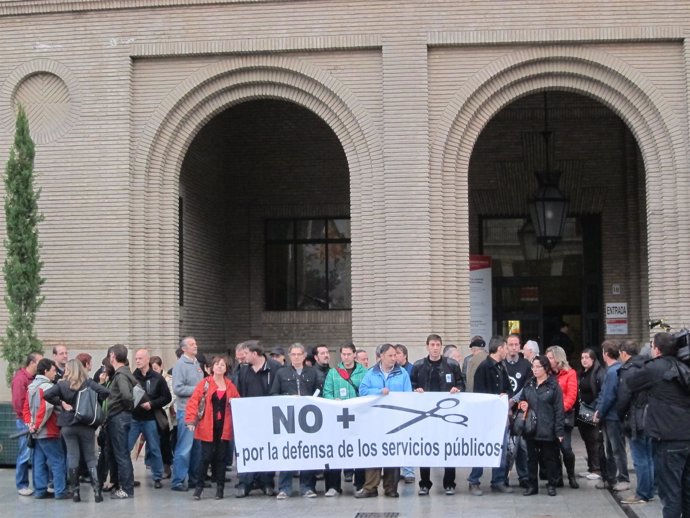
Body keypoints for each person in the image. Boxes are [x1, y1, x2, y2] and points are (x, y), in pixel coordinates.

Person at [627, 332, 690, 518]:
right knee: (686, 490)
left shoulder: (655, 368)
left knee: (670, 492)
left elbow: (631, 381)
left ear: (656, 349)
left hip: (668, 439)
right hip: (686, 435)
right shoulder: (683, 366)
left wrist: (645, 358)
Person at [43, 358, 109, 503]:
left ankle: (75, 493)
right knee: (91, 457)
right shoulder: (89, 383)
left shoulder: (62, 385)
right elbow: (105, 392)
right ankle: (97, 491)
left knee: (73, 457)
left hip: (68, 425)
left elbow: (46, 395)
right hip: (86, 425)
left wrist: (61, 403)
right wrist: (95, 402)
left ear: (68, 370)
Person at [355, 343, 412, 499]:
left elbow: (408, 394)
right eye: (390, 356)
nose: (394, 358)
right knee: (374, 453)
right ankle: (370, 487)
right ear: (381, 356)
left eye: (395, 355)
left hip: (394, 420)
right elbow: (363, 391)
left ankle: (391, 488)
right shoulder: (371, 373)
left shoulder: (403, 374)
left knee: (392, 453)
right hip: (375, 421)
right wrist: (379, 392)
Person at [411, 333, 464, 496]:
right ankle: (425, 483)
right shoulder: (418, 365)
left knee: (448, 447)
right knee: (425, 449)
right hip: (425, 415)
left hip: (446, 414)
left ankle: (449, 483)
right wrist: (415, 390)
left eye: (437, 345)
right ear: (427, 347)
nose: (435, 348)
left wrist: (457, 389)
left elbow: (461, 383)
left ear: (441, 347)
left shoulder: (452, 365)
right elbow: (411, 385)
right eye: (432, 345)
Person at [185, 355, 240, 500]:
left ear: (226, 368)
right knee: (205, 457)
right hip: (207, 426)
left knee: (221, 459)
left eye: (222, 365)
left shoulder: (230, 386)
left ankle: (220, 489)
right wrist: (191, 420)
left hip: (224, 427)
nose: (220, 367)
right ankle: (199, 488)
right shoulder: (204, 384)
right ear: (211, 368)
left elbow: (239, 405)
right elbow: (193, 402)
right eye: (217, 364)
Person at [271, 343, 320, 498]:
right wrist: (288, 399)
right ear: (289, 356)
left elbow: (320, 393)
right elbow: (273, 395)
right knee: (288, 452)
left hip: (308, 420)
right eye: (293, 354)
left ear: (304, 356)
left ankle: (307, 487)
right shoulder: (281, 373)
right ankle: (284, 488)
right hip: (288, 420)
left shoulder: (313, 373)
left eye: (299, 354)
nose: (296, 357)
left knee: (307, 453)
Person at [234, 340, 282, 497]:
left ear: (255, 354)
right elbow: (239, 391)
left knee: (267, 449)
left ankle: (267, 482)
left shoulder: (274, 368)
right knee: (246, 449)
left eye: (246, 354)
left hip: (269, 417)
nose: (244, 357)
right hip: (248, 417)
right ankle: (245, 482)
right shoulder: (243, 370)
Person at [468, 335, 513, 496]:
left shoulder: (501, 367)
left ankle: (498, 480)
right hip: (485, 416)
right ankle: (474, 480)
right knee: (482, 447)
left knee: (500, 448)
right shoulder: (484, 367)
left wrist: (504, 395)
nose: (507, 351)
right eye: (506, 347)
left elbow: (508, 388)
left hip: (499, 416)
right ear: (500, 348)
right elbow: (479, 393)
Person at [323, 343, 367, 494]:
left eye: (349, 354)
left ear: (354, 354)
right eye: (344, 354)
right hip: (338, 417)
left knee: (359, 449)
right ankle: (333, 486)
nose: (346, 357)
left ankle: (360, 484)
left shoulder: (364, 372)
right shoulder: (333, 373)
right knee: (336, 449)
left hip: (359, 417)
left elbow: (367, 392)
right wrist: (333, 399)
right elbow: (327, 392)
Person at [519, 355, 565, 497]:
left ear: (545, 368)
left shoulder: (553, 385)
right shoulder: (529, 384)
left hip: (547, 427)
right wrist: (523, 405)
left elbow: (559, 409)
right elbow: (522, 401)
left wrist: (559, 431)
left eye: (538, 367)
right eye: (533, 366)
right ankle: (532, 486)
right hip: (531, 428)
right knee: (531, 459)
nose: (535, 369)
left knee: (549, 458)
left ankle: (552, 484)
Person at [23, 358, 69, 500]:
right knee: (57, 460)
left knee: (39, 461)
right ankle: (60, 491)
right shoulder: (48, 387)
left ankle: (40, 490)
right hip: (49, 430)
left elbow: (26, 408)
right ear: (46, 371)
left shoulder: (31, 386)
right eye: (53, 370)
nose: (55, 373)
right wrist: (37, 426)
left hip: (36, 432)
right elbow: (46, 408)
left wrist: (30, 424)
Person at [616, 339, 654, 504]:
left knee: (640, 458)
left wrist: (618, 414)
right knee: (649, 457)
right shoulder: (647, 365)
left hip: (635, 419)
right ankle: (651, 490)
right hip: (649, 416)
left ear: (624, 353)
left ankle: (643, 493)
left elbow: (624, 396)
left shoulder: (628, 369)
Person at [129, 348, 171, 489]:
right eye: (136, 359)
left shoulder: (157, 378)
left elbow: (167, 397)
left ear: (148, 359)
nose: (138, 361)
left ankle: (157, 476)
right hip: (134, 418)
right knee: (127, 446)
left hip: (150, 418)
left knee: (154, 447)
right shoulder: (132, 377)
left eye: (140, 358)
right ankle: (127, 475)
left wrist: (152, 404)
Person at [594, 340, 630, 492]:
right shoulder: (618, 368)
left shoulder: (611, 371)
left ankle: (623, 478)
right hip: (614, 415)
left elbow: (608, 396)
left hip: (613, 416)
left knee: (616, 449)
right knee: (612, 448)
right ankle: (611, 477)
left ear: (606, 354)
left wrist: (599, 412)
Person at [171, 336, 205, 492]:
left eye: (195, 344)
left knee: (197, 448)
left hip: (199, 412)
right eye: (191, 344)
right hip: (186, 411)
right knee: (185, 447)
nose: (195, 346)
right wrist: (198, 391)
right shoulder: (180, 365)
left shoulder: (196, 363)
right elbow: (178, 389)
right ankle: (178, 480)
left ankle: (194, 478)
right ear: (184, 349)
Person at [105, 343, 138, 499]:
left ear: (113, 356)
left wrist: (124, 408)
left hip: (119, 418)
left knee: (121, 454)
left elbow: (126, 395)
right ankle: (122, 486)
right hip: (120, 417)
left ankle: (126, 489)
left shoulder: (121, 375)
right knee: (119, 453)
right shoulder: (125, 373)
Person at [545, 345, 579, 489]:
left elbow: (571, 396)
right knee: (553, 449)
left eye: (551, 358)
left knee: (566, 448)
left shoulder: (570, 373)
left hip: (564, 416)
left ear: (558, 359)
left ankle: (571, 475)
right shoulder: (547, 374)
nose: (548, 361)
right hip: (549, 417)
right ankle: (557, 477)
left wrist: (559, 410)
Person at [11, 351, 42, 496]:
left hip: (34, 421)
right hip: (25, 422)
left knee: (36, 453)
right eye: (39, 362)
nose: (41, 365)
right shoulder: (20, 379)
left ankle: (37, 484)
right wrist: (27, 421)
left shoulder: (34, 378)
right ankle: (22, 484)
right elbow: (18, 403)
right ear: (32, 363)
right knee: (25, 453)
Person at [504, 334, 532, 489]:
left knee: (521, 445)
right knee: (505, 446)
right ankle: (504, 476)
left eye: (516, 344)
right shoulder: (501, 364)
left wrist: (513, 400)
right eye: (510, 344)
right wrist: (505, 404)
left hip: (520, 410)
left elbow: (527, 386)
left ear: (520, 346)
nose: (513, 347)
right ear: (506, 346)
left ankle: (524, 476)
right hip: (503, 410)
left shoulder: (526, 364)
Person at [577, 348, 605, 480]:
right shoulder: (583, 373)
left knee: (595, 440)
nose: (584, 360)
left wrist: (595, 408)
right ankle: (591, 467)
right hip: (583, 411)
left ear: (593, 359)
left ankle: (597, 468)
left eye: (587, 357)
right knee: (587, 439)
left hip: (592, 410)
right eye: (582, 358)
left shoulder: (599, 373)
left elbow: (601, 393)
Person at [150, 355, 174, 479]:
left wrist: (161, 405)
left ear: (161, 367)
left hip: (165, 414)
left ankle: (166, 466)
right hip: (151, 413)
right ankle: (156, 467)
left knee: (165, 442)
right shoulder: (149, 379)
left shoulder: (168, 379)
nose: (154, 371)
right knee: (154, 442)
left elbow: (172, 396)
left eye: (156, 368)